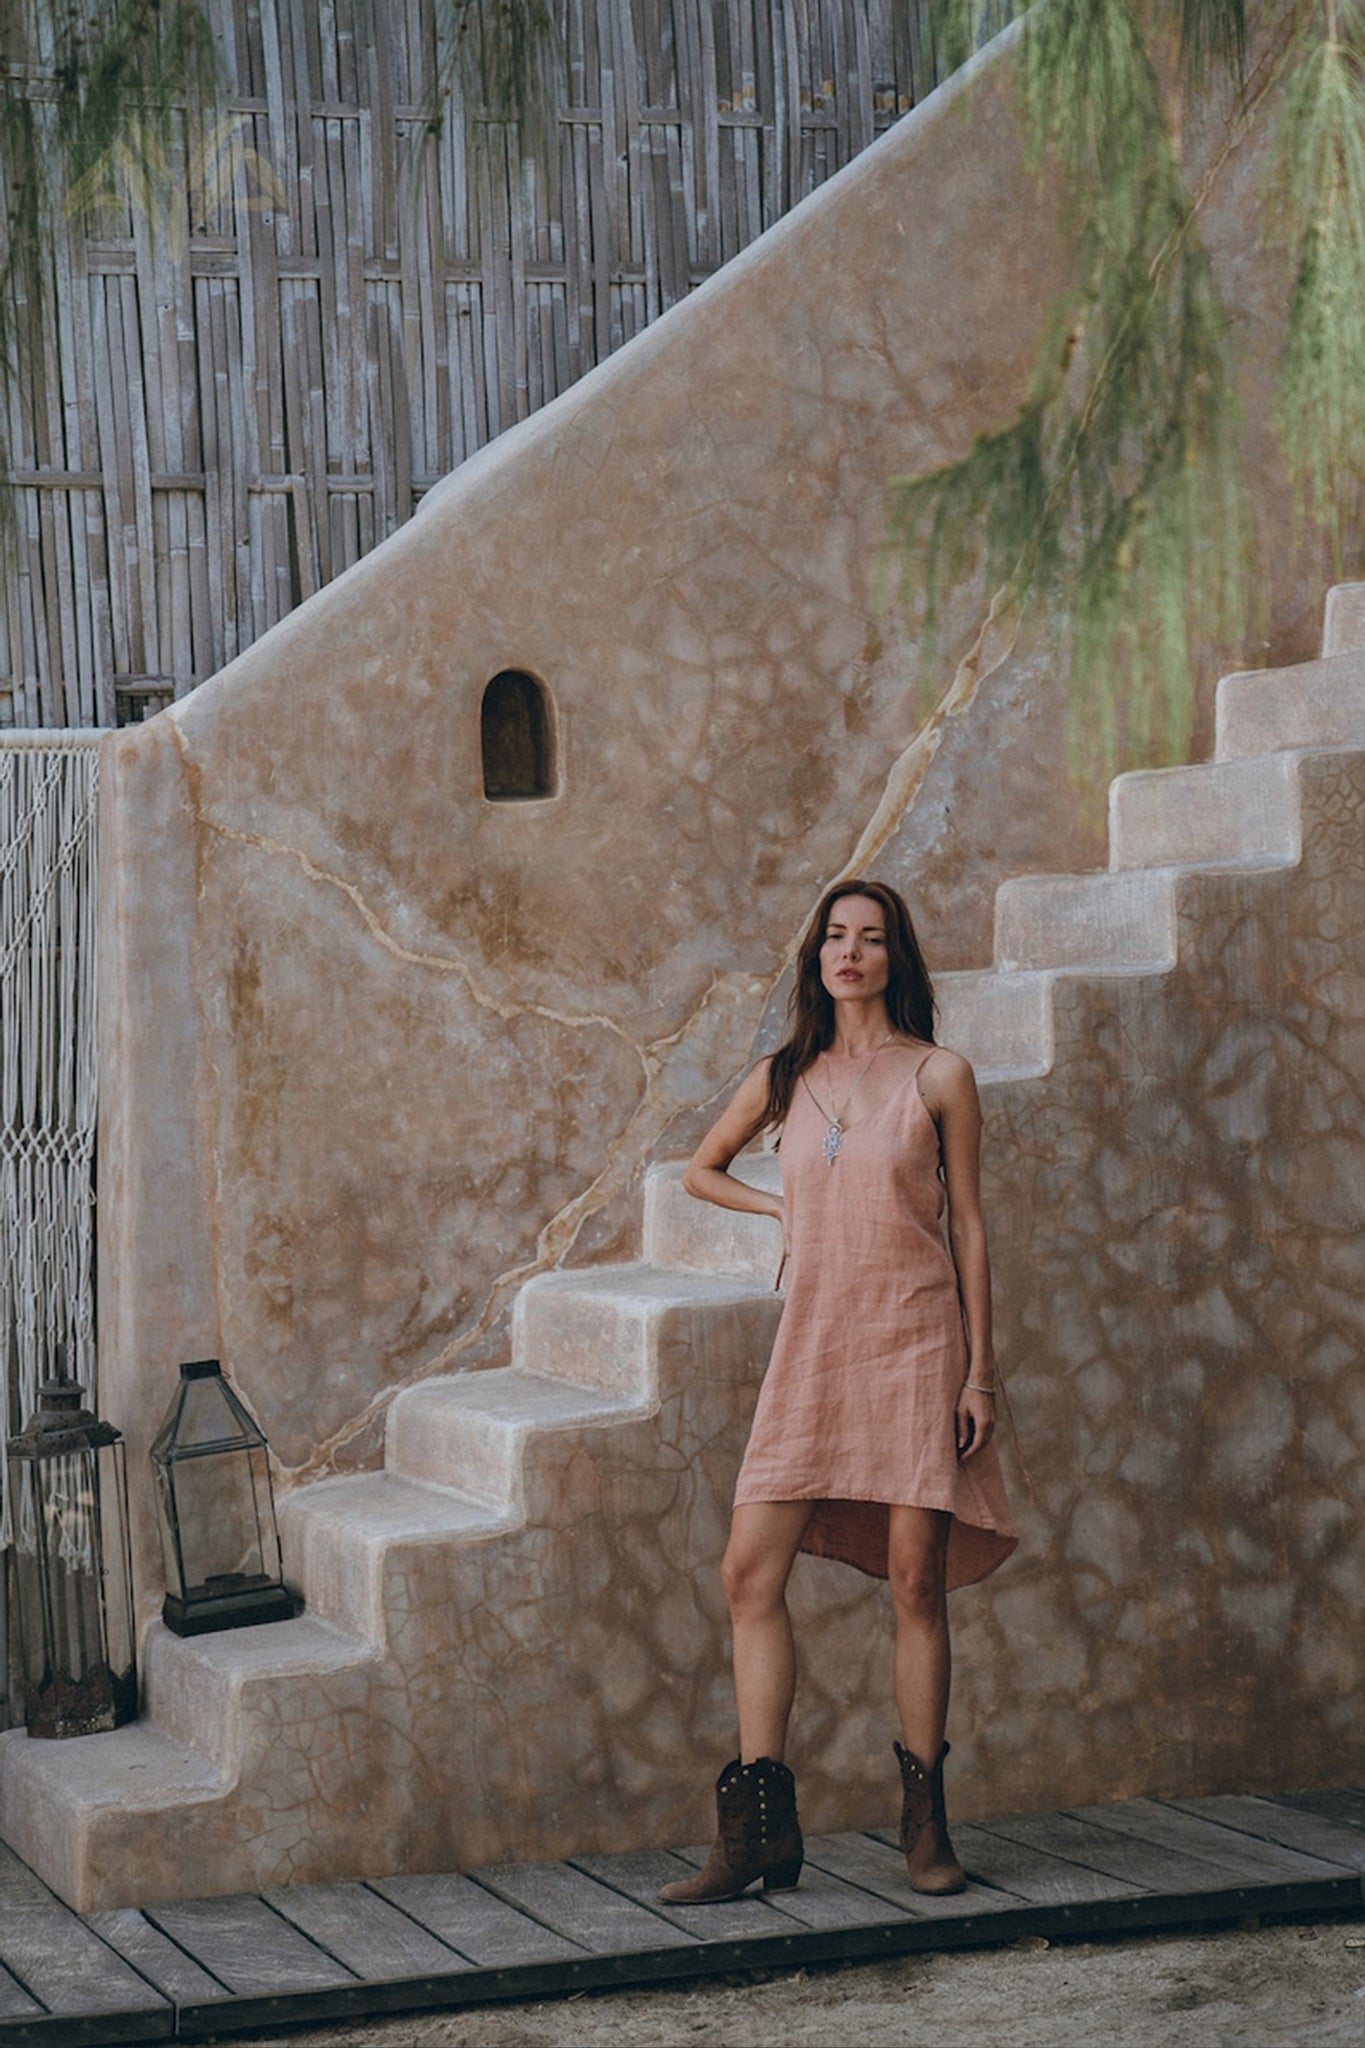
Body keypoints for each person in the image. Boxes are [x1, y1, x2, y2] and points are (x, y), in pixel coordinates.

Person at [660, 878, 1016, 1906]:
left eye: (868, 937)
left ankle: (924, 1824)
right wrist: (781, 1211)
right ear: (816, 954)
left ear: (895, 955)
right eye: (833, 936)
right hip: (813, 1343)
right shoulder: (786, 1072)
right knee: (747, 1571)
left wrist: (979, 1369)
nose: (848, 952)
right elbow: (700, 1168)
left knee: (916, 1578)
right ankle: (759, 1832)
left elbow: (972, 1226)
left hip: (913, 1339)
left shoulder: (939, 1074)